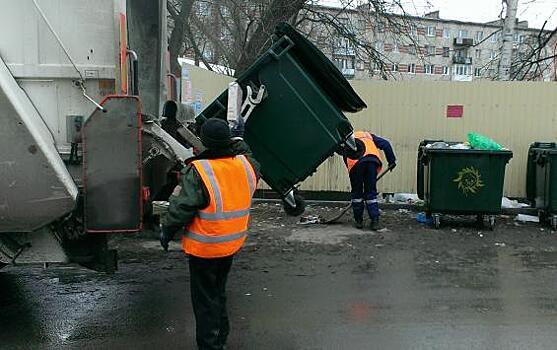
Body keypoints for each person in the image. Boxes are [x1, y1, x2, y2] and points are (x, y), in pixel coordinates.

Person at [160, 118, 260, 350]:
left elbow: (182, 208)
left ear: (203, 142)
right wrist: (238, 138)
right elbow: (247, 152)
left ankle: (209, 345)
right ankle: (221, 336)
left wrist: (167, 230)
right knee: (218, 292)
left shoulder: (199, 171)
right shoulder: (247, 165)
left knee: (204, 300)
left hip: (204, 248)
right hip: (231, 244)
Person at [343, 130, 396, 231]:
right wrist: (391, 161)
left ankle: (359, 221)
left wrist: (353, 175)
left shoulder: (347, 140)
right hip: (372, 161)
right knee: (371, 192)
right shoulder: (368, 136)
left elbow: (347, 158)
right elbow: (386, 144)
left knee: (357, 193)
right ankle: (374, 220)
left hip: (356, 164)